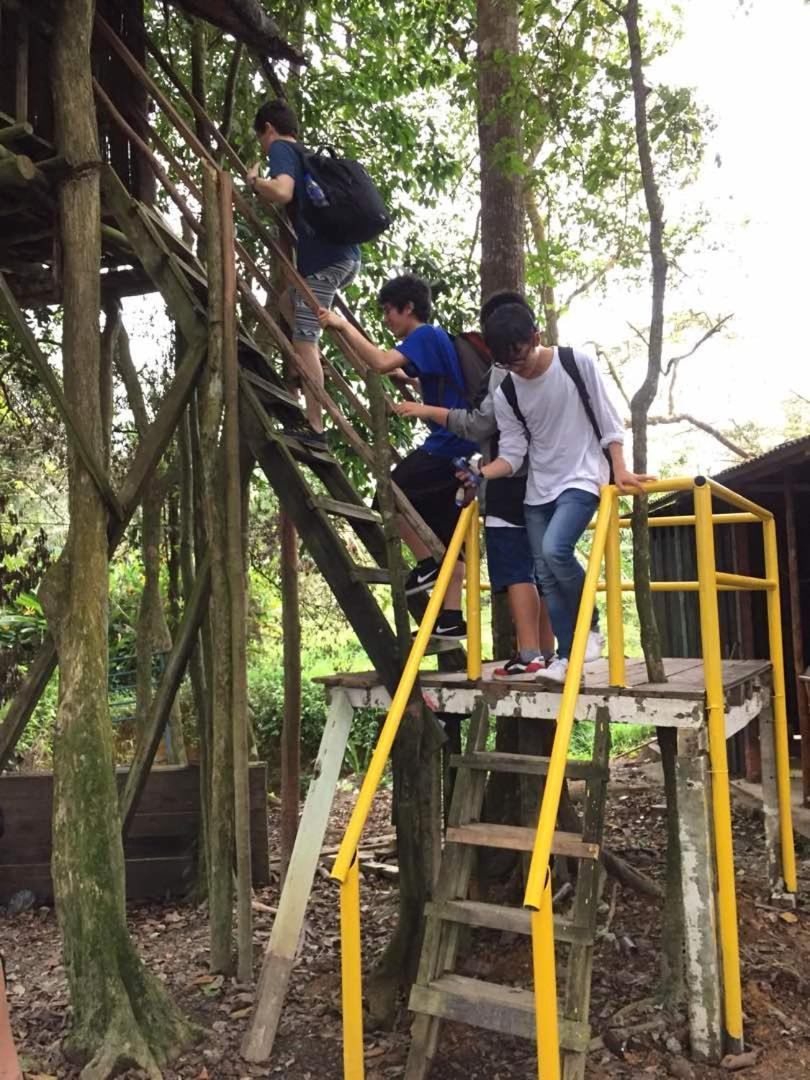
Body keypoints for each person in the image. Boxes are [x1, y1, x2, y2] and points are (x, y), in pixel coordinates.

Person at [464, 302, 652, 684]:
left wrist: (619, 468)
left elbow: (607, 417)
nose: (519, 369)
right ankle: (568, 657)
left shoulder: (574, 363)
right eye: (507, 365)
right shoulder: (508, 391)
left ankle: (591, 624)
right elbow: (514, 453)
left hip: (583, 476)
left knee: (554, 550)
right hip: (539, 488)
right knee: (545, 577)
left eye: (521, 358)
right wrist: (483, 471)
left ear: (536, 338)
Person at [394, 291, 557, 678]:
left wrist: (427, 410)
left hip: (506, 475)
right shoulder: (554, 364)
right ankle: (550, 654)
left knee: (518, 569)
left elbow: (479, 422)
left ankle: (532, 651)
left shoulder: (500, 369)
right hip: (549, 477)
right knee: (545, 566)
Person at [318, 274, 478, 640]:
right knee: (446, 533)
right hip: (465, 448)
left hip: (449, 444)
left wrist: (342, 325)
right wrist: (411, 381)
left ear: (408, 308)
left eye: (389, 311)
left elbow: (377, 362)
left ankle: (428, 564)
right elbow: (431, 380)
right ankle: (451, 620)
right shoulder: (435, 341)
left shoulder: (424, 334)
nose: (386, 319)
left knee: (389, 494)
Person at [247, 101, 361, 448]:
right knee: (287, 303)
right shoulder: (303, 153)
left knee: (305, 337)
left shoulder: (281, 148)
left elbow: (282, 191)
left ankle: (315, 426)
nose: (263, 147)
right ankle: (310, 367)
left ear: (268, 128)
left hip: (328, 261)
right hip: (342, 257)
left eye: (260, 138)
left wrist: (254, 182)